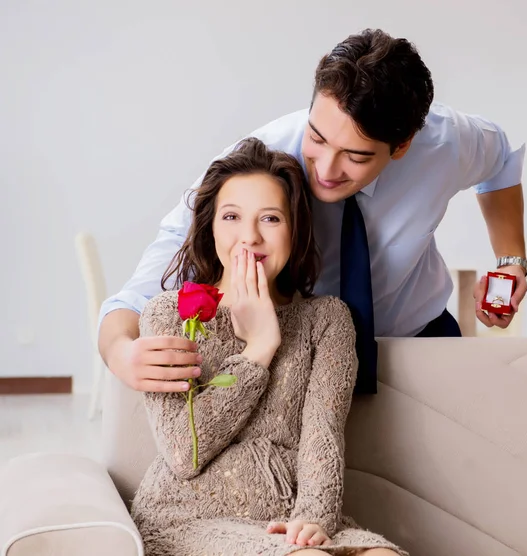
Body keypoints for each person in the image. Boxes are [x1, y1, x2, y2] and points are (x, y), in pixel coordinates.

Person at [98, 28, 527, 395]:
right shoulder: (262, 161)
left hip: (423, 337)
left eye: (356, 157)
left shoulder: (446, 143)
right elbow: (166, 255)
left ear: (402, 146)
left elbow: (502, 159)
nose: (324, 170)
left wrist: (510, 262)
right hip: (302, 358)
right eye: (317, 138)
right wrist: (120, 351)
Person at [130, 137, 405, 556]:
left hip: (288, 515)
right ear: (211, 227)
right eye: (232, 217)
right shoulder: (172, 314)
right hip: (189, 516)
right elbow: (184, 452)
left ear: (295, 230)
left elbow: (323, 436)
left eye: (271, 219)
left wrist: (315, 517)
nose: (250, 237)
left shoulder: (326, 319)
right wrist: (258, 347)